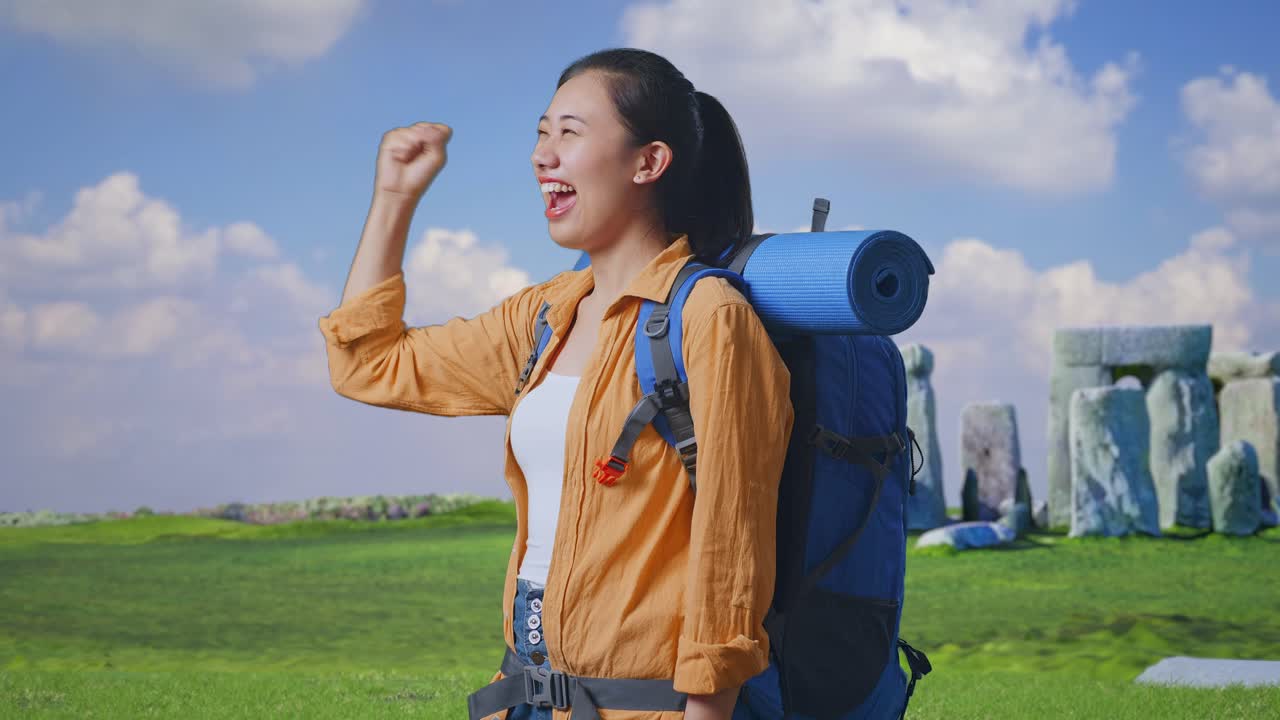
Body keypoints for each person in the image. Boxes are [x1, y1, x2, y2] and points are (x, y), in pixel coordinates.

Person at [317, 47, 793, 720]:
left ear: (648, 162)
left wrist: (709, 711)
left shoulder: (710, 319)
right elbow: (368, 362)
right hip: (529, 694)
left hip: (649, 705)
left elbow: (732, 542)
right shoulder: (542, 316)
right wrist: (395, 196)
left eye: (570, 133)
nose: (543, 154)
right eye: (541, 133)